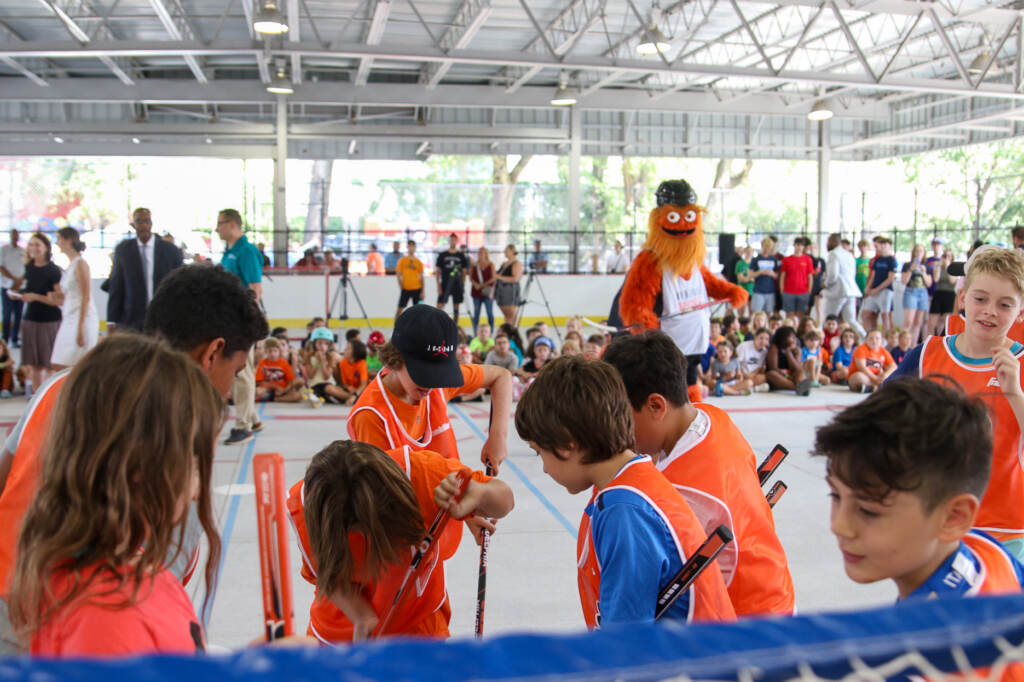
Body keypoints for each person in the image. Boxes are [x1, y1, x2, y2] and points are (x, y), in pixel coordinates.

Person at [0, 264, 267, 652]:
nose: (228, 392)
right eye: (237, 371)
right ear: (213, 352)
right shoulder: (175, 430)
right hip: (66, 636)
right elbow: (149, 624)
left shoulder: (62, 384)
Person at [6, 335, 223, 657]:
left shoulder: (136, 570)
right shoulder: (105, 618)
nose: (197, 491)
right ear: (141, 467)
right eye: (192, 466)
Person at [514, 355, 736, 627]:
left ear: (565, 444)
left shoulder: (625, 510)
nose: (545, 469)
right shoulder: (637, 477)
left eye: (539, 453)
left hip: (687, 665)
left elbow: (626, 638)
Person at [602, 331, 795, 616]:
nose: (617, 430)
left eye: (622, 417)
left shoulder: (679, 490)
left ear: (656, 406)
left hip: (746, 624)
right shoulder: (713, 416)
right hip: (774, 589)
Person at [814, 378, 1024, 604]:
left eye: (868, 511)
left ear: (954, 518)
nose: (839, 527)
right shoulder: (985, 549)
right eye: (836, 496)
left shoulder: (937, 632)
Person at [286, 440, 513, 642]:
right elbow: (329, 577)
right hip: (341, 635)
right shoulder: (310, 511)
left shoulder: (422, 474)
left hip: (419, 626)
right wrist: (363, 618)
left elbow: (505, 499)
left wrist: (480, 493)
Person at [889, 245, 1024, 560]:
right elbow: (880, 419)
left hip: (1008, 532)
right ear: (963, 298)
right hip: (936, 525)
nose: (990, 310)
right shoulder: (927, 355)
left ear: (1020, 311)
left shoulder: (1020, 363)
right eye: (980, 299)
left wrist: (1015, 393)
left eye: (1004, 304)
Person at [217, 208, 264, 445]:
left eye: (220, 224)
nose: (217, 229)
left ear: (233, 224)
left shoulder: (245, 251)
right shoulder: (230, 252)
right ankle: (253, 418)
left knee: (241, 372)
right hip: (230, 317)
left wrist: (247, 320)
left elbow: (255, 288)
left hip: (241, 319)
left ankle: (243, 426)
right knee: (243, 372)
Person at [106, 207, 184, 332]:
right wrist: (111, 319)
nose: (143, 225)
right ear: (133, 225)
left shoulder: (170, 250)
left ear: (151, 223)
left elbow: (179, 285)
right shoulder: (124, 250)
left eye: (146, 221)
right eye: (139, 221)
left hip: (163, 318)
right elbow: (116, 285)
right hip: (131, 318)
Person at [13, 233, 61, 395]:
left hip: (50, 320)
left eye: (37, 245)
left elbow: (58, 300)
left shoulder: (53, 270)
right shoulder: (28, 268)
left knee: (49, 364)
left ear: (46, 247)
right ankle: (36, 398)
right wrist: (19, 294)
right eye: (31, 244)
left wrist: (35, 297)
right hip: (30, 319)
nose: (34, 248)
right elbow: (25, 290)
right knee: (34, 364)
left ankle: (48, 398)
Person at [49, 228, 98, 370]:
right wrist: (56, 296)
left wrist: (81, 328)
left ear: (68, 240)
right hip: (69, 317)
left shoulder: (81, 264)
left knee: (75, 364)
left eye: (59, 239)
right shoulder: (71, 265)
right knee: (59, 363)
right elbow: (71, 294)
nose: (57, 243)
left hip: (81, 318)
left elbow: (86, 296)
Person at [823, 233, 866, 337]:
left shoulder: (833, 254)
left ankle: (825, 342)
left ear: (832, 241)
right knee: (851, 320)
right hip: (851, 291)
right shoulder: (849, 254)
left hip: (838, 291)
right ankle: (864, 336)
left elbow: (833, 274)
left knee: (829, 318)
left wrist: (826, 284)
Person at [303, 327, 350, 405]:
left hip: (327, 384)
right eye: (320, 343)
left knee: (329, 389)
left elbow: (327, 377)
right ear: (314, 343)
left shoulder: (330, 357)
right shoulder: (309, 356)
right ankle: (323, 398)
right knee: (307, 392)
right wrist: (317, 362)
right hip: (314, 386)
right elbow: (310, 375)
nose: (323, 346)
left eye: (326, 343)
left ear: (329, 345)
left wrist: (322, 362)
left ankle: (352, 398)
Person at [862, 237, 898, 332]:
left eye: (884, 245)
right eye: (880, 245)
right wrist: (868, 287)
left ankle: (886, 340)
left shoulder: (892, 260)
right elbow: (873, 275)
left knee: (885, 315)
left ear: (889, 246)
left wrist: (876, 289)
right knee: (865, 314)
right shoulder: (877, 260)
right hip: (873, 291)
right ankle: (871, 335)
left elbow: (890, 278)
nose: (882, 247)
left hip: (885, 291)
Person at [255, 337, 304, 403]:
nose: (272, 354)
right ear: (266, 352)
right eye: (269, 351)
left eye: (275, 351)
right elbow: (259, 382)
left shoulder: (284, 363)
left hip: (282, 389)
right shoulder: (262, 363)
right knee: (257, 391)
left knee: (298, 396)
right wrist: (275, 387)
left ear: (279, 351)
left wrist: (283, 390)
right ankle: (270, 397)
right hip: (268, 389)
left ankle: (277, 399)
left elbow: (290, 381)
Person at [765, 325, 811, 395]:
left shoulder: (797, 350)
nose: (794, 339)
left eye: (794, 337)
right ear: (784, 337)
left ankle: (800, 387)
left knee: (801, 372)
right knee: (770, 374)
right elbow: (773, 368)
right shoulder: (774, 347)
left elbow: (797, 368)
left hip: (792, 375)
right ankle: (798, 387)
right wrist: (785, 374)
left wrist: (789, 353)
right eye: (791, 337)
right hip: (779, 376)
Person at [900, 244, 932, 344]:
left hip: (923, 293)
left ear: (924, 253)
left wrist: (924, 272)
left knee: (918, 322)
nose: (918, 253)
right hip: (910, 292)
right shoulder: (907, 265)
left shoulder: (926, 266)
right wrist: (911, 269)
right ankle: (903, 343)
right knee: (908, 321)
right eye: (917, 251)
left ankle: (913, 346)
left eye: (921, 251)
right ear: (913, 253)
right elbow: (904, 281)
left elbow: (929, 283)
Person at [848, 329, 896, 393]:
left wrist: (885, 375)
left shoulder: (883, 351)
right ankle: (877, 387)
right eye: (871, 338)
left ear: (881, 341)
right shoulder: (860, 349)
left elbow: (894, 366)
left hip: (878, 377)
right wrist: (875, 378)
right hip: (864, 376)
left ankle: (873, 388)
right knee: (858, 377)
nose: (874, 341)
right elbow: (862, 367)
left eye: (877, 338)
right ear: (866, 340)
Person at [435, 233, 468, 322]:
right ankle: (437, 322)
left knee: (456, 306)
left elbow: (464, 272)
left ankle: (455, 325)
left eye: (454, 240)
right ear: (449, 241)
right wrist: (438, 285)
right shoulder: (443, 255)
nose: (453, 241)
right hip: (445, 283)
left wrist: (463, 284)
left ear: (457, 241)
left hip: (457, 284)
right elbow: (437, 271)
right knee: (440, 305)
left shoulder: (461, 255)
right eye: (451, 239)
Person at [0, 230, 24, 349]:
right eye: (13, 235)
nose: (15, 237)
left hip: (20, 287)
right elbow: (1, 267)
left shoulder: (22, 251)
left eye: (17, 235)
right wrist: (14, 279)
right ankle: (5, 340)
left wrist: (19, 282)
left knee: (18, 314)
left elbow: (27, 267)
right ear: (10, 236)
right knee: (7, 314)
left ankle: (15, 339)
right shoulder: (4, 250)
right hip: (7, 286)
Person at [779, 237, 813, 315]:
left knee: (800, 314)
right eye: (797, 245)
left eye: (801, 245)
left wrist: (809, 290)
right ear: (794, 246)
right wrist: (782, 289)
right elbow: (783, 276)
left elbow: (810, 276)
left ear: (803, 247)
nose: (799, 247)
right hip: (788, 291)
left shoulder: (807, 259)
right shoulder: (787, 259)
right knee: (789, 314)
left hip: (803, 291)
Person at [928, 249, 958, 336]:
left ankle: (941, 341)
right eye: (945, 256)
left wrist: (948, 266)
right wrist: (939, 267)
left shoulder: (954, 268)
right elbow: (936, 279)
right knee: (932, 323)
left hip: (949, 295)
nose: (946, 258)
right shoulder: (938, 267)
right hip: (938, 294)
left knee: (944, 323)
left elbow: (952, 280)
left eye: (949, 256)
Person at [469, 246, 496, 335]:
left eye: (482, 252)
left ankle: (490, 332)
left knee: (490, 313)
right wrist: (475, 284)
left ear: (486, 254)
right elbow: (471, 277)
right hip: (476, 293)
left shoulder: (491, 264)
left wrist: (482, 285)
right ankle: (475, 333)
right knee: (476, 314)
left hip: (487, 293)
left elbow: (493, 278)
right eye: (479, 252)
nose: (480, 254)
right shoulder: (474, 265)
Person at [735, 327, 771, 391]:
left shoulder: (764, 352)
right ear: (755, 337)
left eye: (766, 339)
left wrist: (752, 375)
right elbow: (736, 363)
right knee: (742, 380)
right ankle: (752, 388)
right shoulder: (744, 346)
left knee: (763, 378)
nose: (763, 341)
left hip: (752, 376)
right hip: (740, 373)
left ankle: (749, 388)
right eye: (761, 338)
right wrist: (745, 375)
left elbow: (759, 368)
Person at [395, 240, 424, 320]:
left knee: (419, 311)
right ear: (407, 247)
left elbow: (421, 277)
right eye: (409, 246)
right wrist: (401, 287)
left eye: (413, 246)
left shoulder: (418, 262)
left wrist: (422, 291)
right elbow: (398, 275)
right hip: (406, 289)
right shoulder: (402, 261)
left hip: (417, 289)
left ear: (415, 248)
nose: (411, 248)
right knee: (400, 309)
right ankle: (396, 328)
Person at [494, 244, 523, 325]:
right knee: (507, 317)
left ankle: (512, 334)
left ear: (512, 251)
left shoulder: (516, 264)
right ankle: (507, 333)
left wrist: (499, 277)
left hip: (510, 293)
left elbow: (515, 279)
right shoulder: (504, 264)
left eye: (506, 251)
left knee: (512, 317)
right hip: (501, 292)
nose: (505, 252)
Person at [749, 237, 779, 313]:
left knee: (769, 312)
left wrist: (772, 274)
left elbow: (777, 275)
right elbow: (750, 274)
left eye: (768, 248)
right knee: (756, 313)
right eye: (765, 248)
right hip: (758, 290)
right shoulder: (756, 259)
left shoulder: (773, 259)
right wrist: (760, 272)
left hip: (770, 290)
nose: (766, 250)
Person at [734, 246, 754, 317]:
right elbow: (741, 279)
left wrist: (747, 278)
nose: (749, 253)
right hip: (742, 289)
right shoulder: (740, 263)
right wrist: (750, 278)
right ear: (744, 252)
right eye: (747, 251)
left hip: (752, 290)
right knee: (741, 312)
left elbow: (756, 278)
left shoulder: (754, 263)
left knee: (752, 312)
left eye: (750, 251)